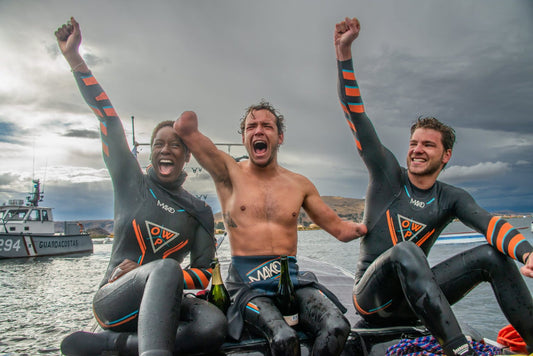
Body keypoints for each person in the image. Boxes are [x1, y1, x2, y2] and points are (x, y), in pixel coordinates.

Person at [334, 16, 533, 356]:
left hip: (416, 301)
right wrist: (343, 53)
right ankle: (459, 351)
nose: (417, 150)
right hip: (373, 299)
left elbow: (490, 225)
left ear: (446, 155)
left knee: (491, 257)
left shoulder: (450, 197)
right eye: (414, 143)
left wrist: (526, 252)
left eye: (428, 145)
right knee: (406, 250)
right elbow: (355, 114)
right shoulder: (386, 174)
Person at [55, 17, 227, 356]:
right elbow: (108, 118)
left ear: (186, 154)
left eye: (175, 145)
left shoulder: (199, 211)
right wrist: (75, 58)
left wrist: (172, 280)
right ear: (151, 152)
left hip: (164, 306)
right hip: (116, 297)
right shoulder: (130, 181)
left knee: (213, 327)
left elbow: (204, 275)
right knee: (164, 267)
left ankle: (114, 346)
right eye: (159, 144)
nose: (166, 150)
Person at [173, 103, 367, 355]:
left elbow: (340, 230)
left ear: (280, 137)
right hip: (247, 285)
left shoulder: (300, 184)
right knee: (283, 337)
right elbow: (185, 128)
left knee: (337, 326)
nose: (259, 131)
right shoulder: (228, 171)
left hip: (292, 282)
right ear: (243, 138)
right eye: (251, 127)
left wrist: (368, 225)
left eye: (267, 126)